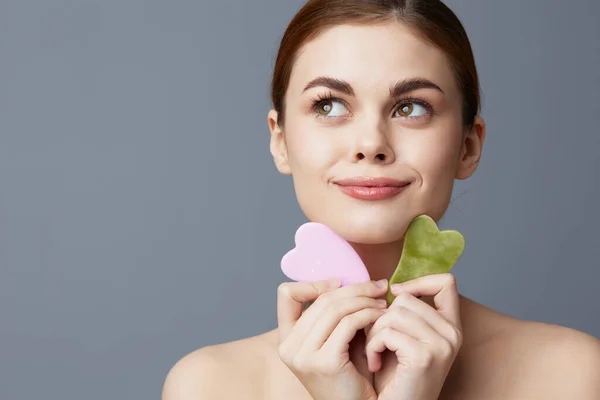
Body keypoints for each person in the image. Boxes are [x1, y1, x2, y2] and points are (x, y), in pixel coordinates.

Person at [162, 0, 600, 398]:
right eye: (329, 105)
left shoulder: (572, 375)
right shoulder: (209, 385)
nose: (371, 143)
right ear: (280, 140)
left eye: (411, 107)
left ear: (468, 146)